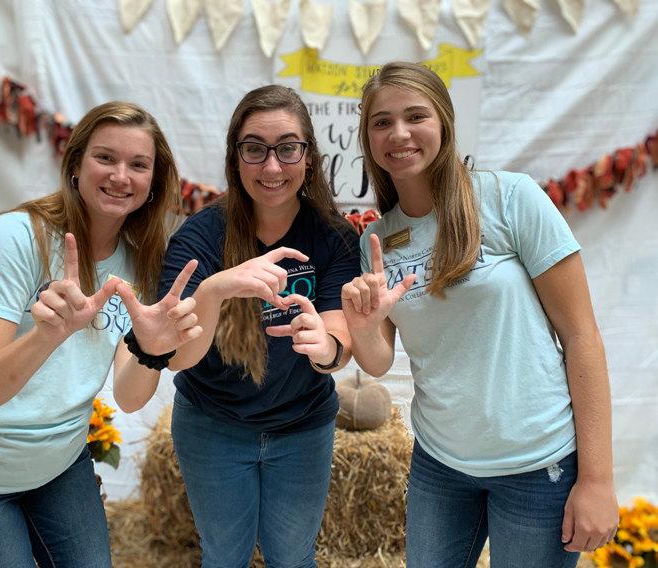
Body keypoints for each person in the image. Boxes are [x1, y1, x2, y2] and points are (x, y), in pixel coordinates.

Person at [341, 62, 620, 568]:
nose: (398, 133)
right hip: (440, 466)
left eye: (414, 116)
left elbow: (582, 336)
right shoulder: (376, 241)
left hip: (538, 466)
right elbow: (379, 362)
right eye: (381, 122)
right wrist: (361, 326)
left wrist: (598, 479)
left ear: (444, 123)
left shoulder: (509, 198)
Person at [0, 101, 202, 568]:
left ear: (154, 185)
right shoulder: (15, 238)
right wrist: (47, 335)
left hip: (58, 469)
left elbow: (128, 398)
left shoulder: (142, 263)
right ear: (75, 165)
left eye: (139, 165)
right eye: (105, 157)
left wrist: (152, 351)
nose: (121, 176)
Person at [151, 85, 360, 568]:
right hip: (212, 427)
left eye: (288, 148)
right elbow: (175, 356)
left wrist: (324, 346)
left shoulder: (334, 236)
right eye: (255, 149)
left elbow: (339, 342)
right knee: (225, 557)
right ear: (235, 157)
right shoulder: (200, 236)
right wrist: (214, 291)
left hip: (303, 428)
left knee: (293, 558)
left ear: (308, 156)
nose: (271, 167)